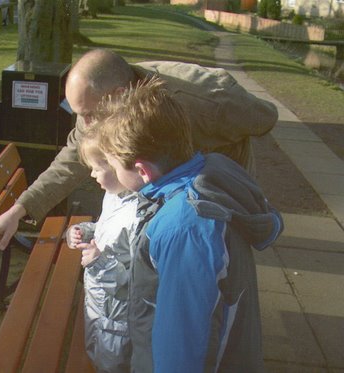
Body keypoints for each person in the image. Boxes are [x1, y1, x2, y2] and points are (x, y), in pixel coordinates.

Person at [0, 48, 278, 252]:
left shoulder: (204, 103)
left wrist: (209, 162)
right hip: (166, 186)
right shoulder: (98, 105)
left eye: (89, 114)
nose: (85, 123)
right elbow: (71, 160)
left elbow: (264, 118)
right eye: (77, 112)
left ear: (119, 95)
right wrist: (20, 210)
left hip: (218, 188)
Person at [94, 76, 283, 373]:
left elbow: (181, 345)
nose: (114, 175)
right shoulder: (208, 173)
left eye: (115, 166)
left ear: (142, 170)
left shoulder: (185, 227)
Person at [66, 128, 138, 373]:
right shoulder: (113, 195)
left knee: (113, 364)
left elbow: (138, 282)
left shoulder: (137, 215)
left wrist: (99, 262)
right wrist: (85, 232)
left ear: (116, 164)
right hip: (98, 306)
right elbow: (105, 231)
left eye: (98, 167)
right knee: (96, 355)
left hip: (118, 320)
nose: (92, 174)